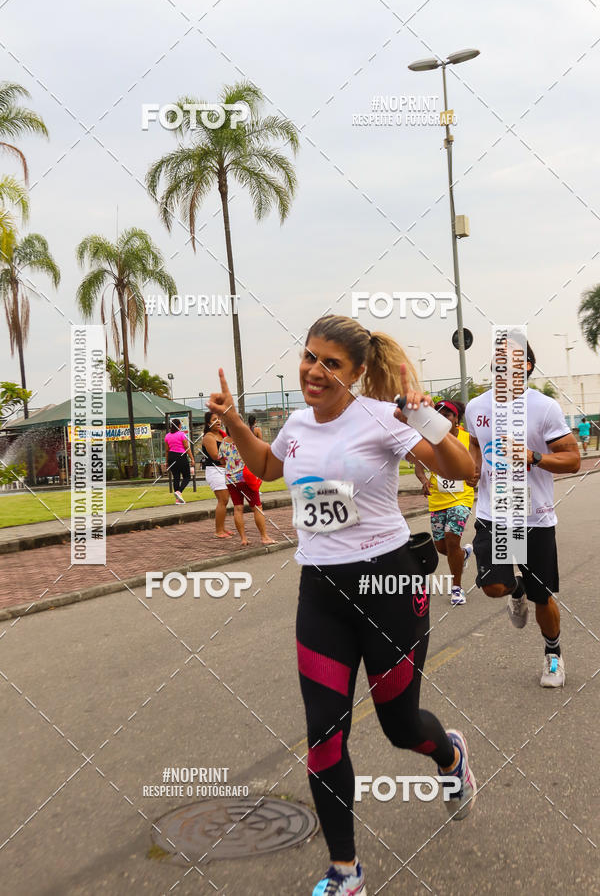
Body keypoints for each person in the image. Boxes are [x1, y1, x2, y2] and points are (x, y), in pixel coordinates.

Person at [208, 315, 477, 896]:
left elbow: (463, 469)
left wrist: (424, 414)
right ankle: (345, 870)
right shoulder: (297, 424)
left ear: (357, 373)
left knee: (400, 727)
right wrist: (232, 420)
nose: (315, 371)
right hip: (321, 594)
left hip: (389, 589)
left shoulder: (384, 417)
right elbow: (267, 467)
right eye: (310, 357)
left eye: (332, 363)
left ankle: (450, 754)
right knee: (323, 735)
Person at [465, 338, 580, 688]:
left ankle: (553, 655)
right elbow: (474, 442)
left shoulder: (544, 408)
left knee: (542, 596)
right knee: (493, 585)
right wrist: (473, 466)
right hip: (495, 511)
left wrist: (533, 457)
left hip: (534, 515)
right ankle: (515, 589)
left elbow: (573, 459)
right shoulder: (475, 407)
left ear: (527, 367)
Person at [414, 400, 477, 606]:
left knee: (452, 540)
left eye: (447, 414)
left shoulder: (469, 439)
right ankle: (464, 554)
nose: (442, 417)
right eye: (438, 414)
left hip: (462, 497)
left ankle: (457, 588)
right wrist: (424, 481)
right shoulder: (430, 440)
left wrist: (476, 474)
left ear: (455, 418)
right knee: (442, 547)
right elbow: (418, 465)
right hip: (437, 500)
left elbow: (481, 459)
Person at [219, 428, 275, 546]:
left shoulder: (224, 442)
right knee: (257, 507)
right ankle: (264, 537)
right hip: (246, 478)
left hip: (231, 479)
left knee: (238, 508)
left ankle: (243, 539)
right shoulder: (244, 439)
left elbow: (222, 461)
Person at [202, 412, 233, 538]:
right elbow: (216, 456)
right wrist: (232, 458)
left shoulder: (222, 435)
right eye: (215, 419)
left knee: (225, 501)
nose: (218, 421)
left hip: (226, 470)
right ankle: (218, 531)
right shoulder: (209, 437)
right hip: (215, 471)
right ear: (208, 423)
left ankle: (223, 528)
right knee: (223, 499)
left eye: (219, 419)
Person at [164, 418, 193, 504]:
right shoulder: (182, 434)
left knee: (176, 477)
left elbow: (167, 450)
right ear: (179, 425)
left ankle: (178, 500)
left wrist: (166, 462)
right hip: (181, 456)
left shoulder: (167, 436)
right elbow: (187, 447)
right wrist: (192, 458)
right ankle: (179, 492)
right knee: (187, 477)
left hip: (171, 457)